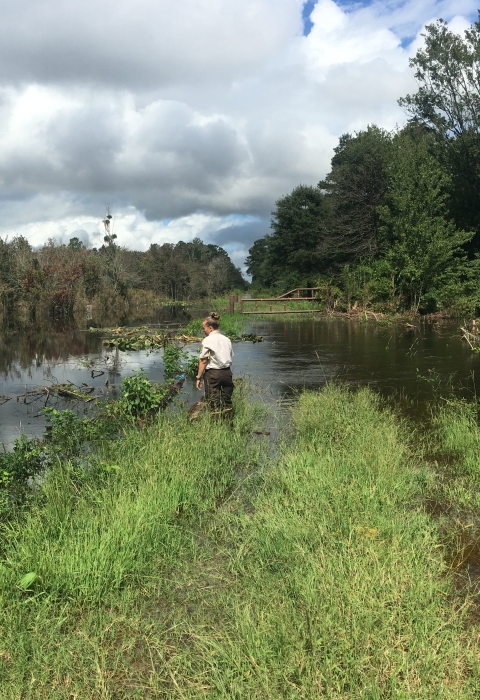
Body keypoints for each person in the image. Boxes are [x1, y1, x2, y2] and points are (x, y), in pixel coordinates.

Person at [196, 312, 234, 415]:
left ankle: (216, 423)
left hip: (213, 374)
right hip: (227, 373)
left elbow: (203, 360)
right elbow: (230, 355)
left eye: (204, 328)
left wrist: (198, 377)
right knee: (227, 401)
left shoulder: (207, 340)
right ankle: (228, 422)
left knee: (213, 402)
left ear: (210, 328)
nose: (203, 330)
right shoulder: (227, 339)